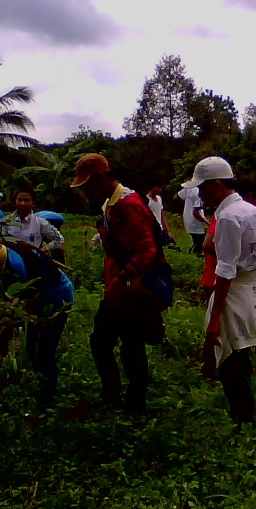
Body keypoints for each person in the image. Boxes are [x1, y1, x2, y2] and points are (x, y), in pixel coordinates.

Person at [71, 154, 172, 413]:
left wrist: (124, 276)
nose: (87, 191)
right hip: (120, 288)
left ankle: (131, 400)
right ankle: (117, 396)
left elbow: (148, 249)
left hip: (133, 289)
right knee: (113, 342)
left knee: (126, 344)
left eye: (88, 185)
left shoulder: (129, 204)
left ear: (101, 178)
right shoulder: (112, 203)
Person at [185, 157, 256, 425]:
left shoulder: (228, 216)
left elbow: (225, 271)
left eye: (203, 188)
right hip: (254, 292)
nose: (200, 194)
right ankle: (246, 416)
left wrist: (213, 321)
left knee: (229, 360)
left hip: (235, 294)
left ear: (218, 184)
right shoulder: (252, 211)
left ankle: (241, 420)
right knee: (241, 354)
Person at [0, 236, 73, 408]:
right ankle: (42, 387)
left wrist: (9, 326)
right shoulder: (1, 256)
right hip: (37, 299)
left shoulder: (15, 266)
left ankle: (48, 399)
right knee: (31, 348)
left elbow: (30, 302)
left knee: (44, 350)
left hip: (57, 300)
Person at [200, 177, 256, 301]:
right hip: (219, 275)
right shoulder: (228, 216)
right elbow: (208, 244)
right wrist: (229, 253)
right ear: (250, 196)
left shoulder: (239, 214)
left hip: (238, 281)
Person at [1, 188, 65, 261]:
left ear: (33, 203)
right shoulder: (6, 221)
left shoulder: (40, 222)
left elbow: (59, 239)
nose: (22, 203)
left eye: (26, 200)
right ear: (15, 201)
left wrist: (44, 250)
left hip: (32, 261)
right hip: (11, 261)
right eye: (19, 200)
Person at [175, 183, 209, 254]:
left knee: (197, 241)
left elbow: (176, 197)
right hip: (195, 221)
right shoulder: (200, 192)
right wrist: (208, 223)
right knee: (200, 242)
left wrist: (188, 205)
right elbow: (196, 212)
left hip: (187, 217)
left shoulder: (190, 188)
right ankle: (192, 254)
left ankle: (192, 254)